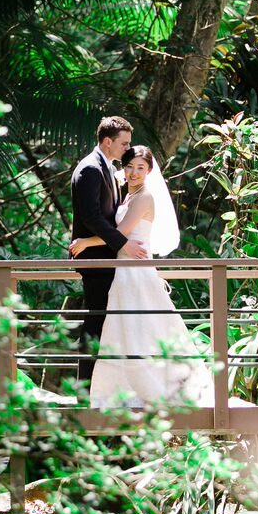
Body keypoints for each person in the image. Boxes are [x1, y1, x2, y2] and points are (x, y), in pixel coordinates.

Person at [69, 146, 214, 409]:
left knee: (143, 327)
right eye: (130, 167)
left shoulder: (145, 197)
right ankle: (123, 387)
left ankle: (155, 386)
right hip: (123, 271)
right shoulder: (127, 195)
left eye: (140, 168)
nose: (134, 173)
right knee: (125, 329)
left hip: (136, 271)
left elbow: (121, 232)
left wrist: (85, 243)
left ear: (149, 171)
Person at [70, 117, 149, 387]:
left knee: (103, 324)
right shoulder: (90, 169)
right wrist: (123, 244)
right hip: (97, 262)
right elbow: (92, 216)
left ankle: (102, 387)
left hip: (107, 260)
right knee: (95, 324)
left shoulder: (108, 169)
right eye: (124, 143)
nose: (127, 148)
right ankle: (84, 392)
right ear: (107, 142)